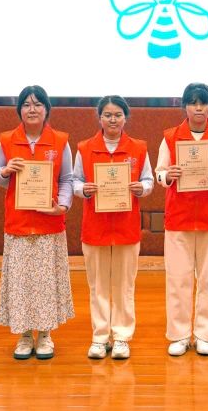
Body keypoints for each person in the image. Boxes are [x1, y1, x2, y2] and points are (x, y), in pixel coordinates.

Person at [0, 85, 75, 360]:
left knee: (46, 283)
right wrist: (5, 171)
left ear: (47, 109)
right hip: (18, 224)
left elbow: (67, 179)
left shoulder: (60, 141)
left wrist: (62, 206)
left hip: (49, 224)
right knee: (21, 282)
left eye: (38, 104)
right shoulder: (7, 140)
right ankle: (25, 335)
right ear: (19, 110)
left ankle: (46, 334)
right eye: (26, 104)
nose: (32, 109)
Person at [156, 82, 208, 356]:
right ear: (185, 107)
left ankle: (204, 334)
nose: (198, 108)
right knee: (178, 279)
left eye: (203, 103)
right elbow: (159, 172)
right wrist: (168, 175)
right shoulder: (170, 137)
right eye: (193, 103)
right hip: (179, 218)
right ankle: (179, 335)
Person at [72, 95, 154, 360]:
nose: (113, 119)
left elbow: (149, 180)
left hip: (126, 226)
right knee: (97, 286)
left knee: (123, 286)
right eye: (107, 115)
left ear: (125, 118)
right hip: (95, 226)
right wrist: (84, 189)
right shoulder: (85, 148)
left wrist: (142, 188)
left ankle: (121, 337)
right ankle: (99, 337)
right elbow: (75, 181)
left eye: (118, 115)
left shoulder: (138, 148)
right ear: (100, 118)